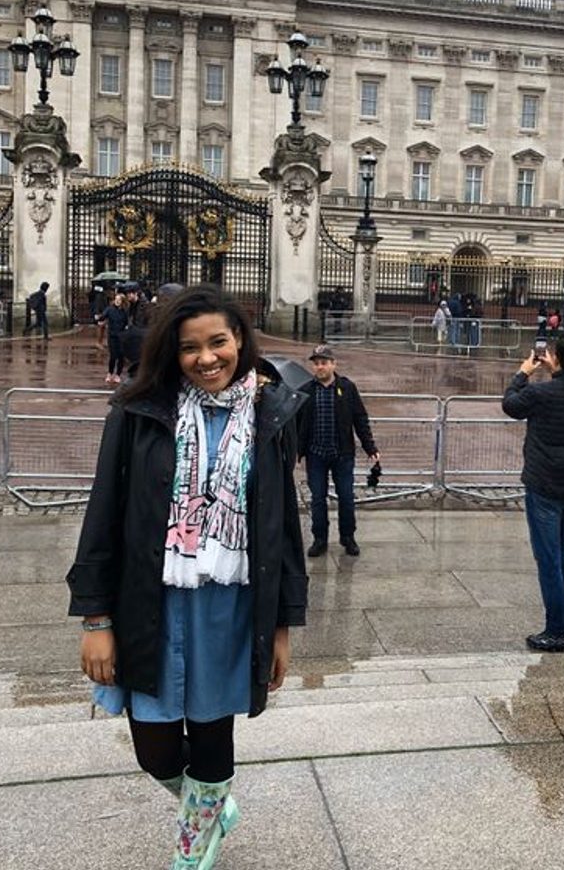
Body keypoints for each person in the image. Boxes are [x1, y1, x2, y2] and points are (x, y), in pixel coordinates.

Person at [66, 283, 307, 870]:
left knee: (211, 737)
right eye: (189, 348)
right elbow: (105, 513)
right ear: (169, 354)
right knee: (153, 749)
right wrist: (95, 618)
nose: (207, 359)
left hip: (232, 605)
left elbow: (283, 528)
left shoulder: (271, 414)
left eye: (219, 342)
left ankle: (194, 855)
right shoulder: (137, 410)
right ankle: (211, 807)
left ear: (241, 341)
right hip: (150, 600)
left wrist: (283, 624)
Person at [501, 333, 564, 653]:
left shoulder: (541, 394)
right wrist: (556, 370)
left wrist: (524, 372)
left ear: (555, 358)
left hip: (544, 484)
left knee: (548, 558)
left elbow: (510, 405)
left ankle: (556, 630)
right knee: (563, 544)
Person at [298, 344, 379, 558]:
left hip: (342, 454)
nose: (320, 367)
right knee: (317, 498)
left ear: (334, 364)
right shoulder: (306, 391)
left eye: (324, 362)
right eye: (316, 363)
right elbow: (297, 424)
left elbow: (360, 418)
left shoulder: (347, 388)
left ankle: (348, 537)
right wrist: (295, 450)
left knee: (346, 497)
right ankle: (320, 538)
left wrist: (369, 446)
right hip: (316, 454)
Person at [97, 291, 129, 383]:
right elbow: (103, 316)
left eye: (119, 300)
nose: (117, 301)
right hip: (112, 336)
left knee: (121, 356)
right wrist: (99, 319)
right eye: (116, 299)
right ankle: (110, 373)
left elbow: (128, 322)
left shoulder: (125, 311)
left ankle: (118, 375)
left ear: (122, 301)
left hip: (122, 336)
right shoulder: (110, 309)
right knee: (113, 356)